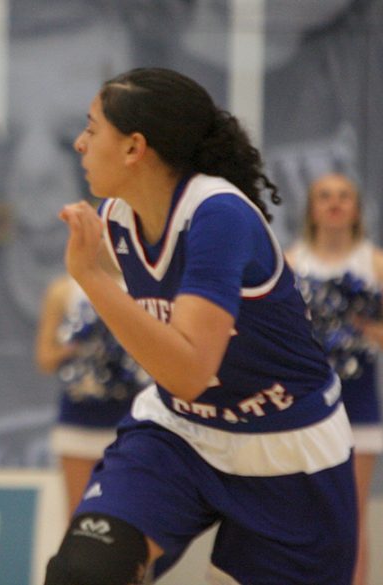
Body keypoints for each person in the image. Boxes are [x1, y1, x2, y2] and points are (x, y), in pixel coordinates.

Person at [44, 67, 357, 585]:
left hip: (286, 451)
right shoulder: (119, 216)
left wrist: (90, 277)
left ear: (133, 148)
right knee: (84, 572)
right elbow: (178, 372)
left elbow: (190, 368)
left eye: (92, 128)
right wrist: (97, 270)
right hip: (179, 435)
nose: (79, 144)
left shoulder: (218, 215)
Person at [285, 172, 383, 585]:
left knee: (352, 514)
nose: (334, 203)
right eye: (324, 195)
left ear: (357, 208)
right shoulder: (291, 263)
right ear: (311, 208)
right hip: (305, 405)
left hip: (359, 406)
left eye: (344, 196)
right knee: (304, 515)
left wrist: (359, 325)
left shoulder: (376, 264)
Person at [34, 255, 149, 516]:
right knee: (79, 514)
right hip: (78, 417)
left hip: (131, 418)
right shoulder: (64, 290)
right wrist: (80, 343)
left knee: (132, 517)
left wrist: (120, 347)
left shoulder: (143, 287)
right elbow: (45, 359)